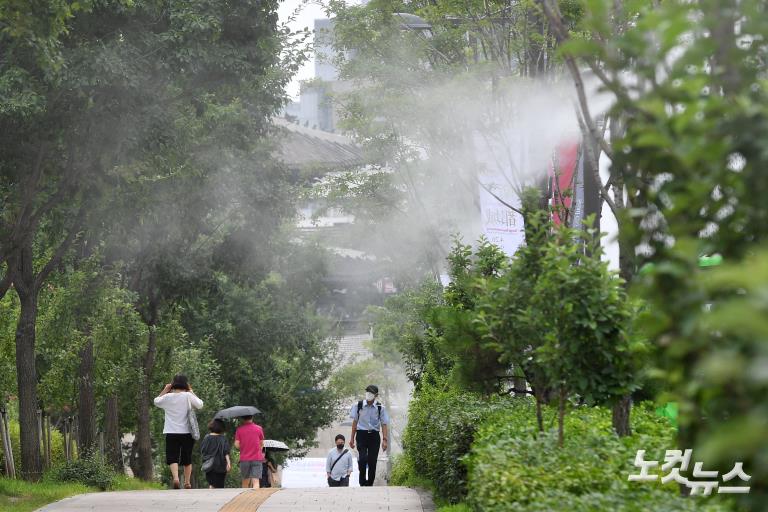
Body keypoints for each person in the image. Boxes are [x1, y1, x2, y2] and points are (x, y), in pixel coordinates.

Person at [153, 374, 203, 489]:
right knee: (187, 458)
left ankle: (175, 478)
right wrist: (191, 391)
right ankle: (187, 482)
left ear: (173, 384)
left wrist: (165, 390)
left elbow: (156, 401)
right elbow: (200, 405)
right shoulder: (187, 396)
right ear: (186, 384)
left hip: (171, 431)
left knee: (172, 456)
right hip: (187, 432)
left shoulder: (167, 397)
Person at [349, 384, 390, 486]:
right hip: (361, 435)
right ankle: (362, 481)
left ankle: (370, 483)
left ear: (376, 395)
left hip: (374, 436)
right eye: (367, 392)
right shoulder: (358, 406)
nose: (368, 394)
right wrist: (352, 439)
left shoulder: (380, 408)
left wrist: (385, 440)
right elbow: (354, 423)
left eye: (371, 392)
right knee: (362, 459)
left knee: (372, 460)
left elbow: (384, 424)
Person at [234, 415, 265, 488]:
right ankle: (256, 498)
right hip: (257, 458)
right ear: (252, 417)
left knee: (245, 482)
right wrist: (257, 450)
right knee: (256, 481)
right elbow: (262, 443)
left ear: (242, 418)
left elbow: (236, 444)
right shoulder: (259, 428)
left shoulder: (239, 429)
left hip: (244, 459)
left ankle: (245, 498)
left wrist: (244, 447)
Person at [200, 419, 231, 489]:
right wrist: (228, 463)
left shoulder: (207, 438)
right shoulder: (223, 438)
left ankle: (211, 497)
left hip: (210, 465)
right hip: (221, 465)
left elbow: (203, 451)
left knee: (212, 484)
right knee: (220, 485)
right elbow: (226, 452)